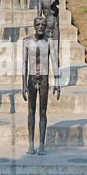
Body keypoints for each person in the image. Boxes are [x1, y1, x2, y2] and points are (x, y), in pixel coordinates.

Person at [22, 16, 60, 155]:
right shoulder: (27, 41)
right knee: (31, 112)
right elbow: (24, 63)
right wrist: (23, 85)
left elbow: (54, 62)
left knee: (42, 112)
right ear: (34, 25)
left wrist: (57, 81)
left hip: (44, 79)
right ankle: (31, 144)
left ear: (45, 26)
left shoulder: (49, 41)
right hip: (31, 79)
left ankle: (42, 145)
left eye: (43, 24)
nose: (40, 26)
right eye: (37, 24)